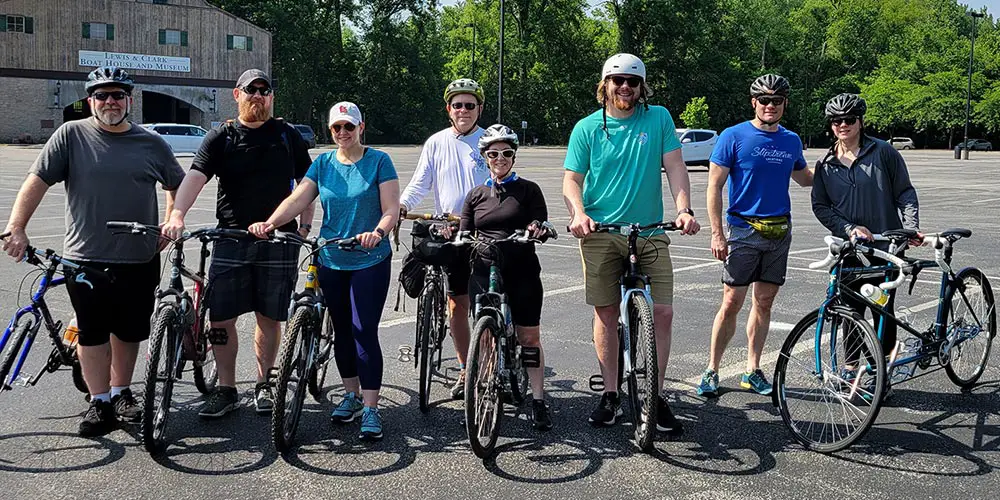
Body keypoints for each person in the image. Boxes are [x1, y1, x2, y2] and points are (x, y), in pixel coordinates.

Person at [1, 67, 185, 436]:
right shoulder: (70, 135)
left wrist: (170, 219)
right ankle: (99, 402)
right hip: (84, 257)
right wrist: (16, 226)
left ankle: (121, 392)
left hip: (138, 255)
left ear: (129, 100)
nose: (110, 102)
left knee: (129, 333)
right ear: (90, 101)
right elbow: (37, 181)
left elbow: (177, 184)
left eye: (117, 95)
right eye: (102, 95)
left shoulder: (151, 143)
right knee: (91, 333)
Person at [161, 69, 315, 418]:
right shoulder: (222, 136)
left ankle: (264, 383)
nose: (257, 96)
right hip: (230, 237)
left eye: (264, 90)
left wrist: (304, 227)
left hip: (279, 240)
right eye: (251, 90)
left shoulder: (287, 135)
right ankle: (226, 389)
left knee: (269, 317)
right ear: (237, 94)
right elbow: (195, 177)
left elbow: (307, 184)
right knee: (221, 318)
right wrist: (177, 214)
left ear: (271, 97)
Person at [563, 53, 700, 434]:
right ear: (605, 85)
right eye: (618, 80)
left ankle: (655, 394)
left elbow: (675, 166)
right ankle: (610, 394)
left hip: (650, 230)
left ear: (642, 88)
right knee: (606, 312)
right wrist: (578, 213)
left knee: (663, 312)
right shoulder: (587, 128)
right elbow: (572, 179)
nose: (625, 87)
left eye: (633, 82)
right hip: (601, 231)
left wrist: (684, 210)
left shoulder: (658, 118)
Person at [250, 101, 400, 441]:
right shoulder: (323, 163)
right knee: (342, 331)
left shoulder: (379, 161)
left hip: (368, 258)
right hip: (331, 257)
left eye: (349, 126)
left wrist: (378, 232)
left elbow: (391, 207)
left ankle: (371, 407)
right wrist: (270, 223)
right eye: (337, 127)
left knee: (363, 330)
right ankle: (351, 395)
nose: (343, 132)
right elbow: (298, 199)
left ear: (361, 128)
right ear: (330, 130)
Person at [697, 74, 814, 398]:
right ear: (754, 102)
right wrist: (717, 234)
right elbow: (714, 187)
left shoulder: (791, 141)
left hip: (779, 231)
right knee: (731, 302)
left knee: (764, 302)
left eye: (776, 101)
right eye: (764, 100)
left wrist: (840, 163)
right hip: (743, 231)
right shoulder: (733, 136)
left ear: (784, 104)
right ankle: (712, 369)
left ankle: (752, 369)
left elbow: (805, 178)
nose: (770, 106)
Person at [458, 124, 553, 430]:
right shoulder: (475, 195)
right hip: (484, 270)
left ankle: (538, 399)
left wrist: (538, 228)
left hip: (522, 269)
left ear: (514, 156)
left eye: (507, 153)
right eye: (493, 154)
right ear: (485, 157)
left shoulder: (529, 190)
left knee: (529, 338)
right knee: (485, 337)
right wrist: (452, 235)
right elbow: (464, 231)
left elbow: (540, 221)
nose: (500, 159)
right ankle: (485, 391)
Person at [811, 93, 920, 362]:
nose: (842, 125)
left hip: (886, 247)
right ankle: (851, 369)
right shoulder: (825, 163)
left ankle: (883, 368)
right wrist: (848, 227)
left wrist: (910, 228)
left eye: (849, 119)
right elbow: (821, 206)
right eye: (836, 120)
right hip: (850, 250)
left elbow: (905, 192)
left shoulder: (883, 152)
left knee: (882, 310)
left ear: (860, 121)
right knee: (851, 311)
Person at [399, 78, 490, 399]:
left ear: (479, 109)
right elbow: (420, 182)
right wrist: (402, 206)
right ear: (448, 109)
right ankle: (466, 368)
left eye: (470, 105)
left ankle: (491, 365)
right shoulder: (436, 142)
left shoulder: (488, 141)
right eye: (457, 105)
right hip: (449, 231)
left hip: (483, 232)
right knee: (457, 303)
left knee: (485, 305)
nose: (463, 110)